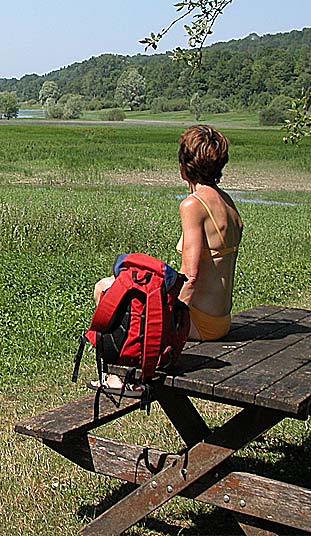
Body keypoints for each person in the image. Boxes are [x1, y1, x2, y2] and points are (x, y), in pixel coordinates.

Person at [91, 125, 242, 392]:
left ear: (184, 164)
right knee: (127, 287)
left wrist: (166, 330)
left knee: (106, 289)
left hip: (201, 322)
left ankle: (120, 373)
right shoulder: (226, 201)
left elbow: (191, 277)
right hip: (221, 318)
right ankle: (122, 368)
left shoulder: (193, 205)